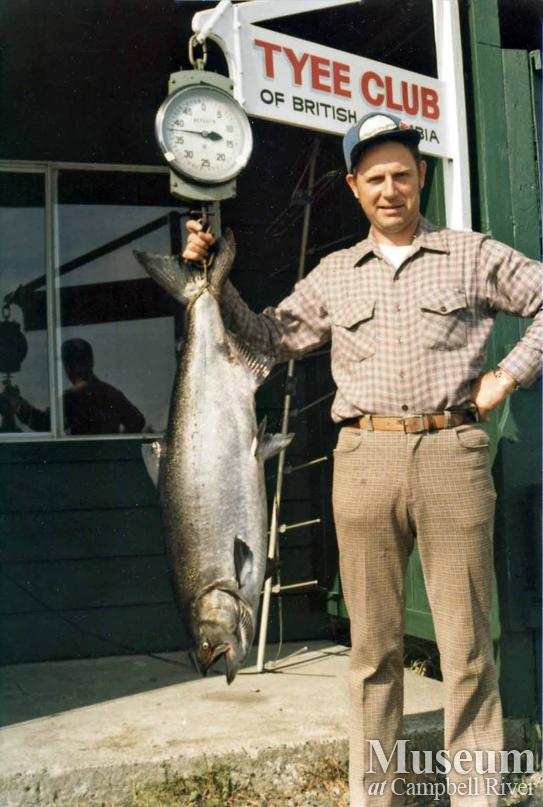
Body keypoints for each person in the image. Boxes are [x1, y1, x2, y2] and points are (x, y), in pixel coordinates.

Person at [183, 112, 542, 807]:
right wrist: (212, 279)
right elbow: (263, 340)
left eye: (401, 174)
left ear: (421, 177)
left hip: (450, 453)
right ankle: (373, 795)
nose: (389, 189)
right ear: (352, 186)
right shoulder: (332, 275)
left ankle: (474, 793)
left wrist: (508, 375)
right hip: (363, 460)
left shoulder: (471, 255)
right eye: (373, 177)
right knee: (371, 651)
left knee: (465, 647)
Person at [5, 338, 145, 435]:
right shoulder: (111, 393)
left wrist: (14, 400)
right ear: (92, 362)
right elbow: (138, 421)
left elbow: (43, 423)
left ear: (67, 367)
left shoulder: (72, 397)